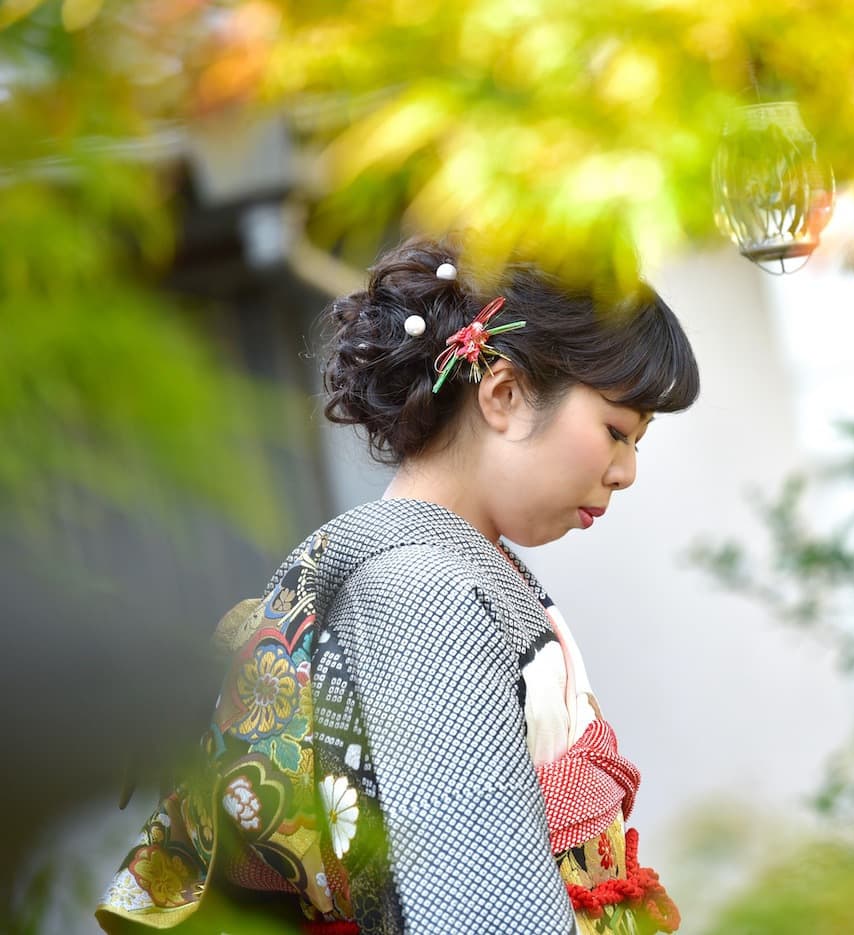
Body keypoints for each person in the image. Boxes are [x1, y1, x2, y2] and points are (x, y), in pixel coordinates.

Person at [95, 237, 699, 934]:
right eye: (617, 430)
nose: (626, 471)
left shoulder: (451, 565)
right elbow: (474, 906)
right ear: (502, 394)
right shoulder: (416, 588)